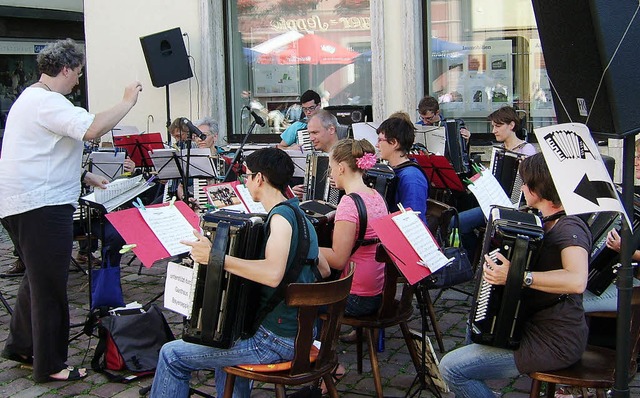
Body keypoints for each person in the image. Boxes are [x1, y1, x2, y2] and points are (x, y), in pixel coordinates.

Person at [0, 38, 142, 382]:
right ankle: (50, 365)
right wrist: (127, 100)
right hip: (42, 206)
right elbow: (93, 127)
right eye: (77, 73)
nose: (78, 80)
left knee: (37, 280)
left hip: (25, 202)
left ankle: (20, 344)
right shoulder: (48, 102)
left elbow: (40, 152)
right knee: (50, 286)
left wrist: (83, 174)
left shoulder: (32, 99)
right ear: (64, 70)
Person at [150, 147, 330, 397]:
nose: (245, 182)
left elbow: (272, 274)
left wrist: (217, 258)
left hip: (276, 340)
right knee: (227, 341)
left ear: (260, 178)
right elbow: (324, 268)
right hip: (301, 332)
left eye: (247, 176)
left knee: (171, 355)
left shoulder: (280, 219)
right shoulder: (301, 216)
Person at [439, 153, 592, 398]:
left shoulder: (569, 226)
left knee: (452, 369)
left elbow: (576, 280)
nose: (522, 189)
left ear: (537, 187)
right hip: (529, 325)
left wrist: (517, 275)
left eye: (525, 183)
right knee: (473, 327)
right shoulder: (544, 220)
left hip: (553, 340)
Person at [320, 139, 388, 350]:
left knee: (301, 300)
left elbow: (339, 260)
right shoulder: (376, 196)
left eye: (331, 168)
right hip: (378, 290)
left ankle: (318, 362)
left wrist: (307, 246)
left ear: (341, 168)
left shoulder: (349, 203)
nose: (331, 174)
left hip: (357, 297)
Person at [456, 106, 537, 258]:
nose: (494, 130)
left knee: (458, 222)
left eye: (498, 126)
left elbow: (532, 183)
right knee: (456, 221)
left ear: (511, 125)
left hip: (514, 206)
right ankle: (474, 258)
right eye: (493, 126)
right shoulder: (498, 150)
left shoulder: (527, 150)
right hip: (492, 204)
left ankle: (478, 259)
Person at [376, 114, 428, 224]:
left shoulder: (412, 177)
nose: (377, 145)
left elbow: (413, 220)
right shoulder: (393, 170)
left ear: (394, 143)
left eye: (380, 140)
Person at [291, 109, 345, 198]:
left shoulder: (347, 155)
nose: (311, 138)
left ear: (331, 130)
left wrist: (344, 183)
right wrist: (299, 192)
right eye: (309, 133)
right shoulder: (314, 157)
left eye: (315, 133)